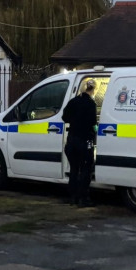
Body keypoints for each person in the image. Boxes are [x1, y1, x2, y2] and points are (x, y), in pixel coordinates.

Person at [62, 78, 98, 207]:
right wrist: (97, 131)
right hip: (85, 141)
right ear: (93, 90)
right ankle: (83, 199)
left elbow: (64, 117)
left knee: (74, 169)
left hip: (72, 141)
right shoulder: (91, 104)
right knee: (85, 170)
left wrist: (75, 121)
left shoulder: (73, 101)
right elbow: (94, 124)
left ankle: (73, 198)